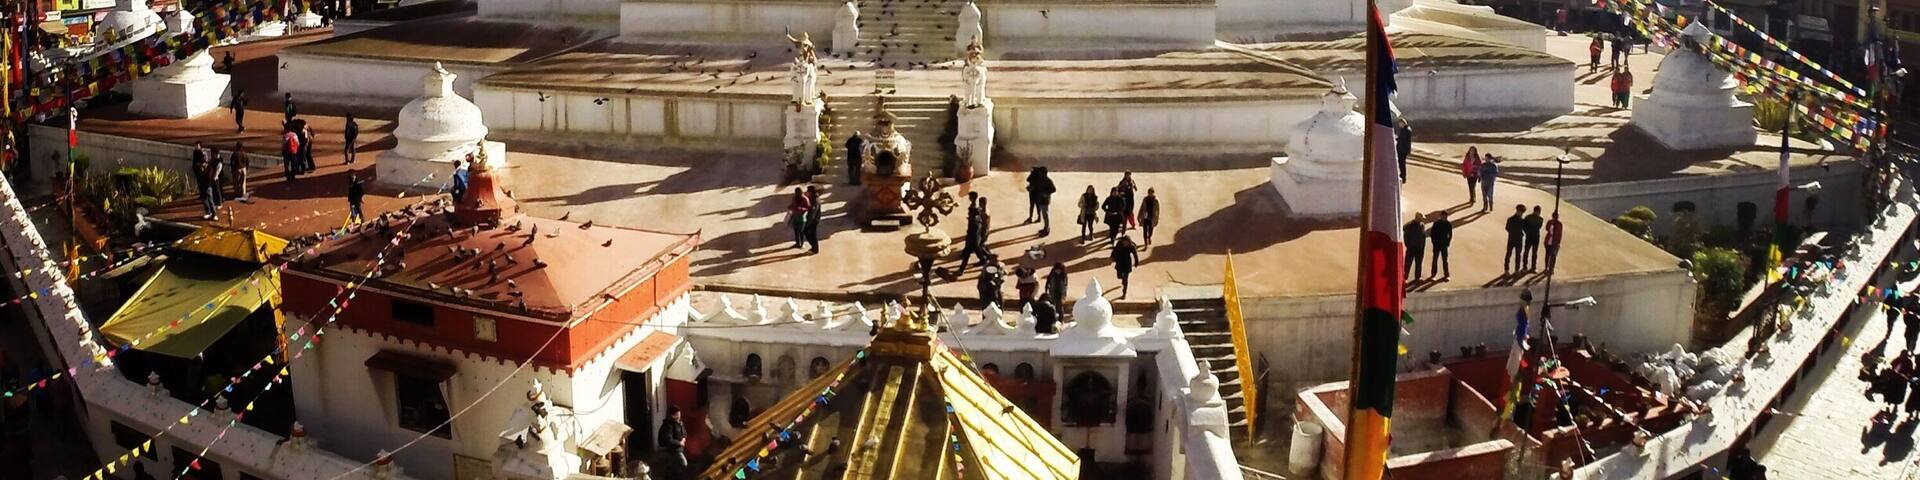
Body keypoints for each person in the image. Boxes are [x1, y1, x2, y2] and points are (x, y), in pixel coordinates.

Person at [658, 406, 688, 480]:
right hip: (674, 450)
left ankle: (668, 476)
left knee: (672, 466)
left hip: (679, 449)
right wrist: (679, 443)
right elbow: (669, 440)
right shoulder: (668, 426)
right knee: (683, 463)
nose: (679, 417)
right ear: (672, 415)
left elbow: (684, 432)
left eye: (679, 415)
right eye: (677, 415)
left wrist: (684, 438)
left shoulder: (679, 423)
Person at [1026, 167, 1056, 236]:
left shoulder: (1048, 180)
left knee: (1045, 215)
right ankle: (1045, 228)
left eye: (1040, 172)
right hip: (1041, 200)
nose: (1039, 173)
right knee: (1044, 215)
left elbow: (1053, 189)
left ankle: (1047, 229)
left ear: (1043, 173)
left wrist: (1046, 194)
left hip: (1045, 200)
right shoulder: (1041, 180)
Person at [192, 145, 215, 219]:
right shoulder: (199, 169)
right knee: (204, 199)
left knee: (210, 199)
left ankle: (214, 213)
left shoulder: (209, 168)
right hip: (202, 184)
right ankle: (208, 212)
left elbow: (209, 176)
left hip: (207, 185)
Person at [1429, 212, 1453, 279]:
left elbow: (1450, 235)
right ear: (1441, 216)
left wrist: (1448, 243)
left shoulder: (1448, 224)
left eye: (1445, 216)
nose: (1444, 217)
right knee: (1435, 259)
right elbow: (1432, 234)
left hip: (1444, 245)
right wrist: (1434, 243)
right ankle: (1433, 275)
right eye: (1443, 216)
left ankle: (1446, 274)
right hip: (1437, 245)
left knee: (1445, 260)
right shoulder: (1436, 224)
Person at [1505, 205, 1526, 274]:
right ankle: (1516, 270)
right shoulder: (1522, 221)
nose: (1521, 213)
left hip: (1511, 238)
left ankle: (1507, 270)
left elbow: (1507, 228)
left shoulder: (1510, 219)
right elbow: (1525, 229)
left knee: (1509, 254)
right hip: (1518, 239)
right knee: (1517, 255)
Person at [1404, 214, 1426, 280]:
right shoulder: (1410, 225)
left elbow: (1423, 236)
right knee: (1408, 263)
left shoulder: (1422, 225)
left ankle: (1418, 277)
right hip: (1412, 247)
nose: (1422, 220)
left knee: (1418, 263)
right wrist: (1408, 245)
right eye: (1421, 218)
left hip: (1420, 248)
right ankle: (1405, 277)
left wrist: (1423, 246)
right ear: (1417, 218)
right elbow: (1406, 236)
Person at [1523, 206, 1544, 271]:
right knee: (1530, 252)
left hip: (1532, 236)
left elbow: (1524, 227)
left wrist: (1527, 232)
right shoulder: (1539, 219)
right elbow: (1524, 226)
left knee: (1531, 252)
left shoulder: (1528, 217)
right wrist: (1528, 232)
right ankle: (1529, 267)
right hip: (1534, 236)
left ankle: (1529, 267)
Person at [804, 185, 822, 254]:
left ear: (811, 192)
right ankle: (814, 247)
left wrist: (808, 222)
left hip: (814, 220)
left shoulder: (815, 200)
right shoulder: (813, 198)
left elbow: (812, 212)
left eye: (808, 191)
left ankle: (815, 249)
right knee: (811, 233)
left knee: (811, 234)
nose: (807, 192)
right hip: (814, 218)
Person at [1394, 118, 1413, 183]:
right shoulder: (1405, 129)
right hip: (1402, 149)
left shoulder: (1406, 130)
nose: (1399, 125)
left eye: (1400, 124)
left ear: (1402, 123)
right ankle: (1402, 175)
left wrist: (1397, 138)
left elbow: (1403, 139)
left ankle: (1403, 177)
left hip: (1403, 149)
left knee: (1402, 163)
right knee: (1401, 163)